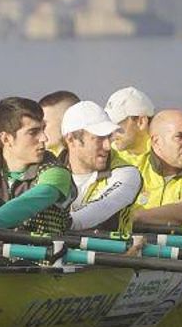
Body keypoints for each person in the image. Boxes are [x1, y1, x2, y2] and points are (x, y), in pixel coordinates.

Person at [0, 96, 75, 237]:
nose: (44, 138)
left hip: (39, 257)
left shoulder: (56, 171)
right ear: (6, 138)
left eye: (43, 129)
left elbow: (28, 203)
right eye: (33, 132)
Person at [57, 100, 143, 237]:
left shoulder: (128, 173)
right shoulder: (50, 169)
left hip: (110, 255)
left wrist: (59, 222)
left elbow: (102, 206)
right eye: (99, 138)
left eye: (109, 137)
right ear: (71, 139)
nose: (108, 146)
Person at [103, 85, 156, 161]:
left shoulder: (169, 156)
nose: (111, 134)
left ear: (141, 122)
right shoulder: (108, 156)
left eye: (117, 126)